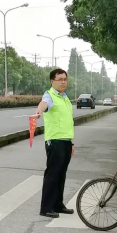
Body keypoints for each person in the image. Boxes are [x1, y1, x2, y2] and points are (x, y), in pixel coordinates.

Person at [35, 68, 76, 218]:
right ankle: (46, 207)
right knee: (52, 174)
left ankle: (58, 204)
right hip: (55, 141)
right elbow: (43, 104)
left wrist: (71, 143)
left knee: (61, 174)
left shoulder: (65, 98)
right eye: (60, 79)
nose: (63, 82)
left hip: (65, 141)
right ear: (53, 81)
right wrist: (39, 112)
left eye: (65, 79)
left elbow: (66, 121)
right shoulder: (50, 95)